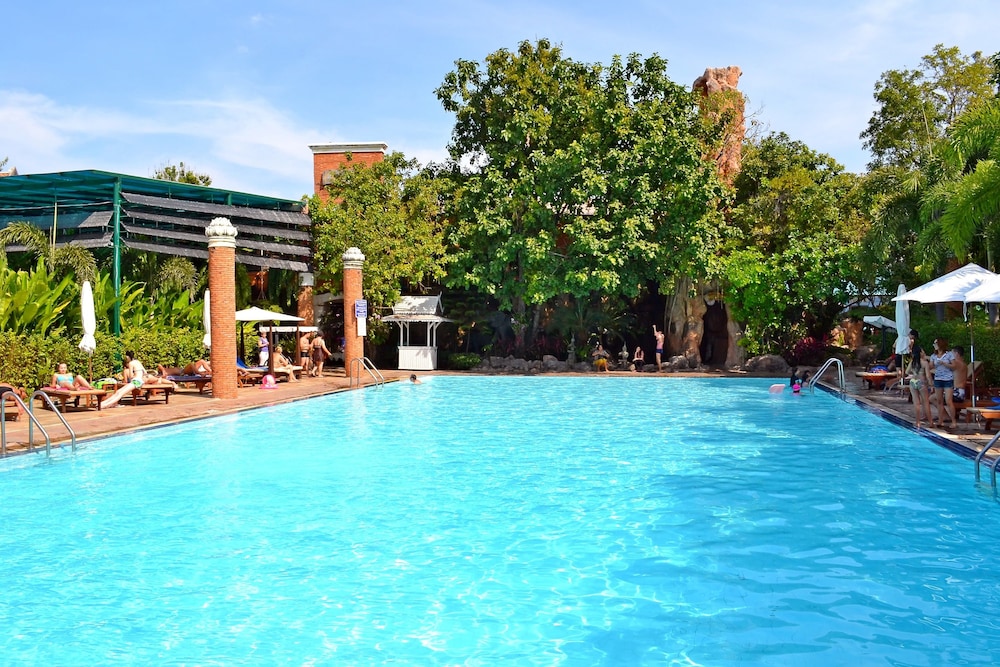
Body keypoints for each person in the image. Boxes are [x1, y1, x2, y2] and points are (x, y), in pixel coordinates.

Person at [101, 352, 175, 409]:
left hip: (135, 381)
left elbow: (131, 376)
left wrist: (133, 375)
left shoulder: (131, 363)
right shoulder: (138, 362)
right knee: (119, 392)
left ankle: (104, 405)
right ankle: (104, 404)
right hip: (139, 381)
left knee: (120, 393)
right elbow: (145, 372)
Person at [906, 334, 933, 429]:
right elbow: (928, 376)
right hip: (922, 382)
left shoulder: (913, 362)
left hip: (913, 382)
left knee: (916, 403)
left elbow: (906, 372)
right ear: (920, 352)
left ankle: (918, 422)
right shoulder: (924, 363)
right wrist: (931, 385)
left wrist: (913, 374)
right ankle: (930, 422)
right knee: (926, 403)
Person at [929, 337, 957, 428]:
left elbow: (954, 366)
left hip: (948, 379)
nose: (934, 345)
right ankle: (940, 420)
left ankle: (954, 421)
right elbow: (930, 366)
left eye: (935, 343)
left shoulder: (949, 355)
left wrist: (945, 364)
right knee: (939, 401)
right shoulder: (933, 356)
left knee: (948, 401)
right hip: (938, 379)